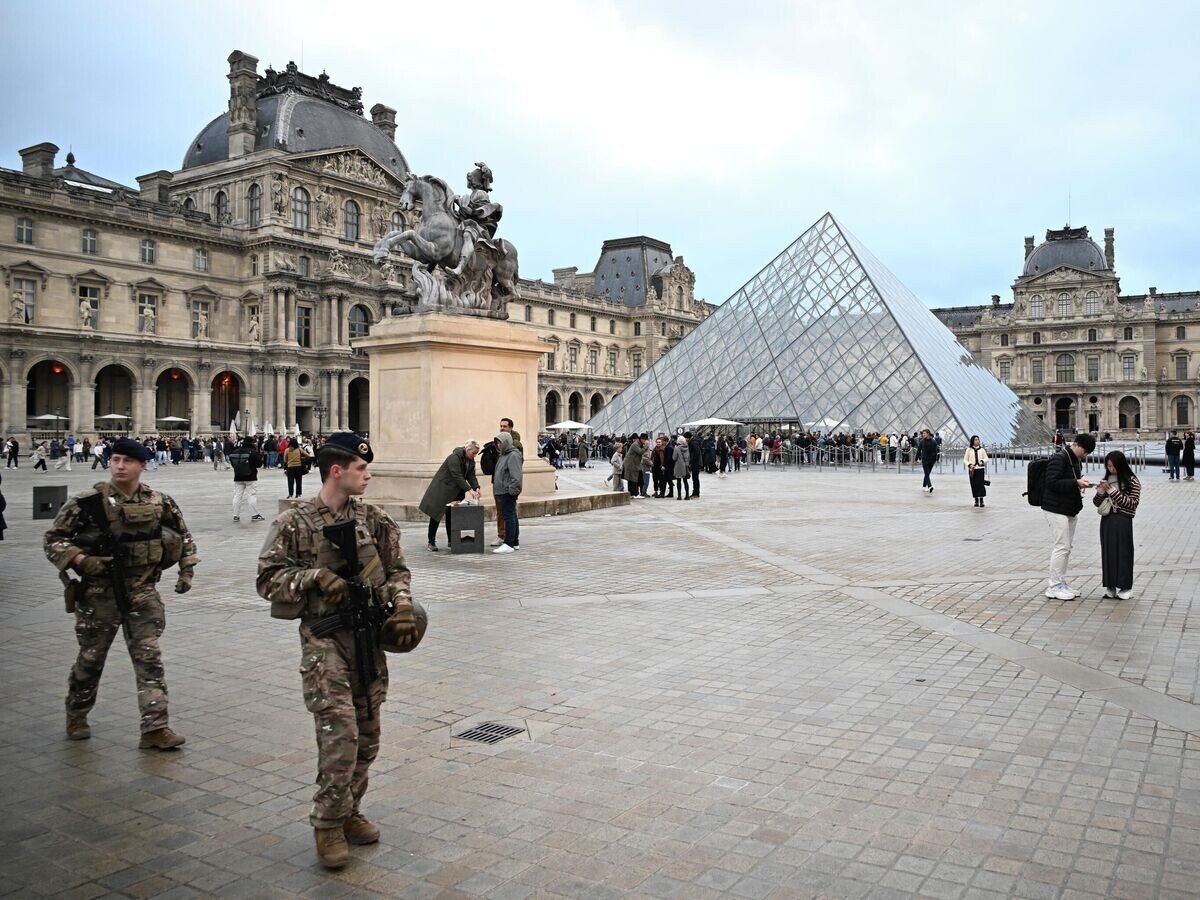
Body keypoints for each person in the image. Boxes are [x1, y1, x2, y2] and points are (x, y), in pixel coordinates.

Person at [256, 433, 420, 869]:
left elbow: (398, 570)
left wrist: (402, 607)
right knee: (341, 735)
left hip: (368, 642)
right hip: (324, 641)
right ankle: (327, 824)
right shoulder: (295, 523)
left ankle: (349, 811)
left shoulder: (375, 519)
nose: (367, 476)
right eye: (361, 469)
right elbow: (266, 579)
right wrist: (310, 577)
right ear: (336, 470)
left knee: (368, 736)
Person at [43, 437, 198, 748]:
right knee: (91, 659)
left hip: (142, 591)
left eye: (127, 461)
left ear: (142, 465)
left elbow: (183, 536)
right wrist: (81, 559)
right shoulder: (87, 502)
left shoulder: (158, 501)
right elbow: (54, 539)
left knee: (149, 659)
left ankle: (155, 728)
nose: (120, 466)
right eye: (115, 460)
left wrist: (187, 570)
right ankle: (76, 712)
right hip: (99, 594)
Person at [1040, 432, 1096, 601]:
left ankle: (1060, 582)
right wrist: (1075, 483)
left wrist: (1080, 482)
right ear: (1077, 445)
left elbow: (1070, 480)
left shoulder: (1074, 460)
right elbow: (1051, 482)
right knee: (1061, 547)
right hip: (1056, 508)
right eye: (1085, 452)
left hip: (1068, 508)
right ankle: (1054, 586)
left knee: (1066, 548)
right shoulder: (1060, 458)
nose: (1085, 456)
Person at [1093, 449, 1141, 600]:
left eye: (1113, 466)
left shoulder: (1132, 481)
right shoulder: (1107, 479)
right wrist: (1100, 492)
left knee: (1123, 553)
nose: (1111, 469)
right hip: (1107, 520)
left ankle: (1126, 587)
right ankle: (1110, 586)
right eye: (1108, 466)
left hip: (1123, 520)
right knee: (1108, 553)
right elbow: (1096, 503)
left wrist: (1113, 492)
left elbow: (1132, 504)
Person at [419, 441, 480, 551]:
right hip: (443, 490)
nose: (474, 455)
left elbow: (471, 475)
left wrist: (476, 487)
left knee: (452, 516)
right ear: (468, 450)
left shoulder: (470, 461)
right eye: (473, 453)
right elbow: (456, 475)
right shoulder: (454, 458)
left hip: (456, 492)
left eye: (476, 454)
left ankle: (452, 540)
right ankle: (431, 542)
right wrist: (469, 490)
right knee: (436, 515)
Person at [492, 431, 523, 553]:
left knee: (508, 516)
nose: (499, 445)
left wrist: (512, 490)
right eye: (497, 443)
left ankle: (509, 543)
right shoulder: (503, 455)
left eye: (500, 442)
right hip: (503, 491)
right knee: (511, 515)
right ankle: (514, 542)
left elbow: (516, 476)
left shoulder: (513, 455)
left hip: (507, 491)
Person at [228, 436, 265, 522]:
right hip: (250, 476)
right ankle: (254, 515)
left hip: (238, 476)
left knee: (237, 496)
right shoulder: (253, 452)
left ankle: (235, 515)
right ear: (252, 443)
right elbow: (259, 464)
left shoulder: (236, 451)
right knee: (251, 495)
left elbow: (233, 464)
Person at [963, 436, 988, 507]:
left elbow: (986, 458)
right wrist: (969, 465)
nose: (977, 441)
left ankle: (981, 500)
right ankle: (976, 500)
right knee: (973, 484)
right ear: (972, 441)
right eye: (976, 440)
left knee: (980, 485)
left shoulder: (982, 450)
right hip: (972, 470)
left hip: (980, 469)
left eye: (978, 440)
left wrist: (982, 461)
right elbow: (965, 459)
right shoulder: (969, 450)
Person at [623, 433, 646, 498]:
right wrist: (645, 446)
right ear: (642, 439)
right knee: (633, 479)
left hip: (632, 463)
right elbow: (640, 452)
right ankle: (635, 494)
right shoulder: (636, 444)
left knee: (631, 479)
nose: (645, 442)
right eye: (645, 440)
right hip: (632, 464)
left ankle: (631, 494)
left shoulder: (637, 444)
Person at [673, 435, 691, 499]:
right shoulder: (687, 448)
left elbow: (674, 458)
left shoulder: (676, 448)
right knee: (685, 481)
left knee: (678, 481)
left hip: (679, 466)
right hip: (686, 466)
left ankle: (679, 496)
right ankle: (687, 495)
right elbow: (688, 457)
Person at [687, 431, 703, 498]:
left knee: (695, 478)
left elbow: (696, 452)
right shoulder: (694, 441)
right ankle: (695, 492)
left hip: (696, 463)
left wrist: (691, 461)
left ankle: (696, 493)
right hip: (696, 462)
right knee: (695, 478)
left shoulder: (693, 442)